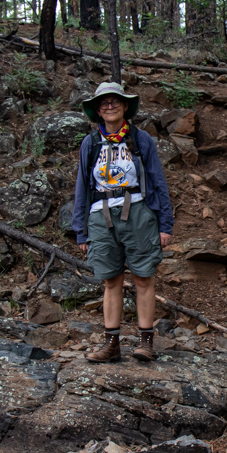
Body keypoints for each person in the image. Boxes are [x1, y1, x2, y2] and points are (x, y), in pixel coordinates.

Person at [72, 81, 174, 362]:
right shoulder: (90, 143)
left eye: (115, 100)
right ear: (97, 110)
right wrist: (80, 230)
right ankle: (111, 345)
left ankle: (145, 342)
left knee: (143, 277)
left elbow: (157, 181)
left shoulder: (140, 140)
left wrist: (165, 224)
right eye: (103, 102)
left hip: (139, 213)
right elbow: (82, 186)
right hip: (100, 215)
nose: (109, 105)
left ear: (125, 105)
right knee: (110, 280)